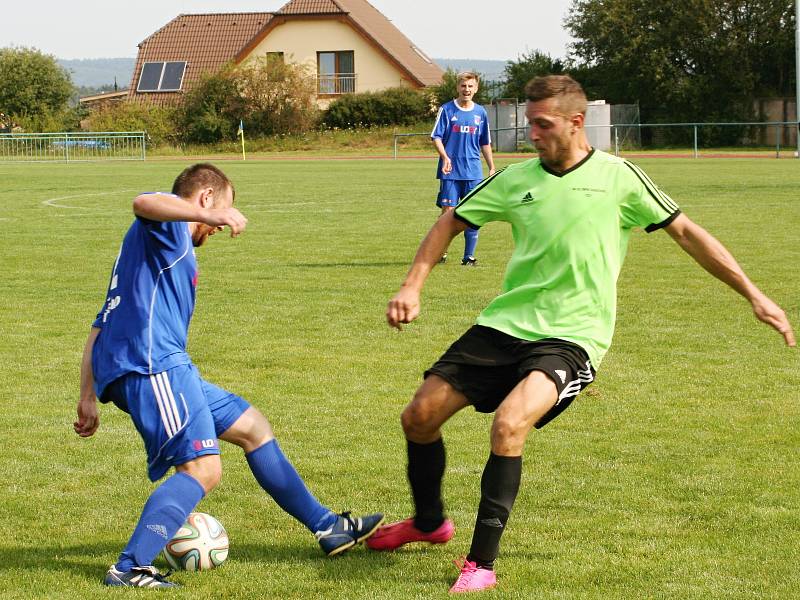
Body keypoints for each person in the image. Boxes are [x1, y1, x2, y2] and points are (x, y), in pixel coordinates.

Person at [368, 75, 796, 593]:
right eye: (529, 123)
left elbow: (687, 233)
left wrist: (753, 293)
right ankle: (430, 524)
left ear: (576, 121)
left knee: (509, 424)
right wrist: (412, 285)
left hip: (573, 335)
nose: (532, 134)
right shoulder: (515, 179)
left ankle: (480, 563)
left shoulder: (619, 179)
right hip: (505, 324)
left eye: (542, 124)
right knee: (418, 416)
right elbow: (449, 222)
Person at [75, 164, 383, 588]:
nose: (222, 224)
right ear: (204, 198)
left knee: (252, 426)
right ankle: (130, 568)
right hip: (153, 367)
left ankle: (327, 526)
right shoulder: (166, 230)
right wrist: (206, 215)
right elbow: (142, 202)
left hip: (159, 365)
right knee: (203, 469)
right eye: (224, 208)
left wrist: (87, 394)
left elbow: (99, 323)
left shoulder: (154, 247)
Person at [431, 71, 495, 266]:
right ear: (457, 87)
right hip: (450, 171)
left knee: (472, 213)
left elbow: (485, 142)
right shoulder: (447, 110)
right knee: (448, 211)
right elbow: (436, 136)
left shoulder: (480, 113)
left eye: (470, 86)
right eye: (463, 86)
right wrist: (444, 156)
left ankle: (468, 257)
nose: (466, 90)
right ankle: (441, 251)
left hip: (473, 171)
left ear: (476, 88)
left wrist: (491, 166)